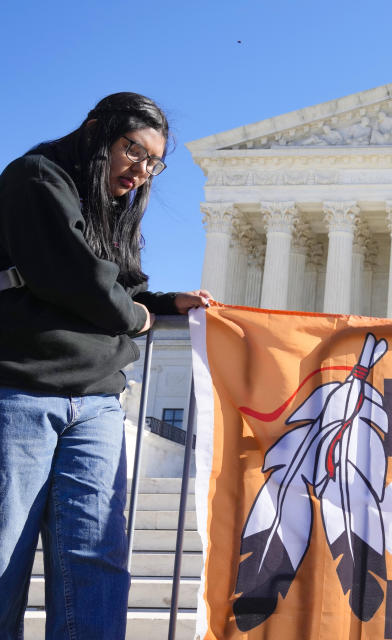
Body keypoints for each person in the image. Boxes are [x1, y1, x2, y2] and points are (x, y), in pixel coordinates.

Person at [0, 92, 211, 639]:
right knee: (4, 560)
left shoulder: (112, 209)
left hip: (95, 402)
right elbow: (72, 275)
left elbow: (121, 284)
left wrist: (164, 305)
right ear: (97, 131)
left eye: (152, 163)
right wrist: (137, 318)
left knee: (97, 564)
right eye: (132, 150)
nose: (141, 171)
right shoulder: (36, 178)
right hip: (20, 390)